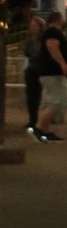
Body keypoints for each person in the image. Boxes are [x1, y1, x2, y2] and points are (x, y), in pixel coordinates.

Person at [32, 9, 67, 142]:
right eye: (62, 18)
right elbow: (53, 47)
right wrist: (63, 64)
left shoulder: (52, 32)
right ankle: (39, 128)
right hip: (52, 72)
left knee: (48, 101)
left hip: (49, 72)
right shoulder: (53, 32)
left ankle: (44, 130)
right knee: (58, 100)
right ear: (58, 19)